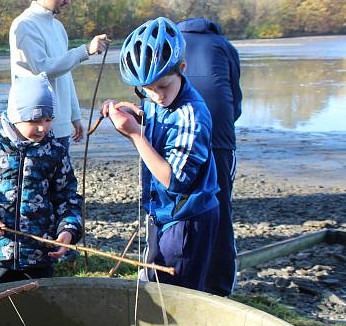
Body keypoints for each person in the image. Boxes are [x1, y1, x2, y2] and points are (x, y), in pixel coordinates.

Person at [103, 17, 220, 291]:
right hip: (163, 212)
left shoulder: (192, 115)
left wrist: (134, 134)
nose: (156, 96)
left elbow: (174, 179)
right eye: (146, 89)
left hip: (188, 218)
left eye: (162, 86)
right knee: (156, 282)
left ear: (181, 68)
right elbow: (153, 124)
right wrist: (130, 113)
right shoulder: (156, 101)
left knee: (177, 293)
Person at [0, 74, 83, 285]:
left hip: (41, 253)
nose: (43, 127)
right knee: (0, 307)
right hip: (0, 252)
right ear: (15, 116)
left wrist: (68, 230)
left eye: (48, 120)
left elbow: (67, 196)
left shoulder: (54, 151)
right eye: (35, 120)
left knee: (39, 308)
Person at [9, 0, 109, 149]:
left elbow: (65, 74)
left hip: (61, 126)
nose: (68, 1)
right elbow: (43, 69)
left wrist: (75, 116)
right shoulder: (25, 25)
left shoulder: (58, 26)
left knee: (63, 178)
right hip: (36, 127)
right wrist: (85, 50)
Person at [177, 17, 242, 296]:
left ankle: (174, 275)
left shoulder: (170, 40)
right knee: (219, 205)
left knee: (175, 199)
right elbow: (235, 99)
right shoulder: (224, 46)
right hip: (219, 136)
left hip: (176, 131)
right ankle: (219, 285)